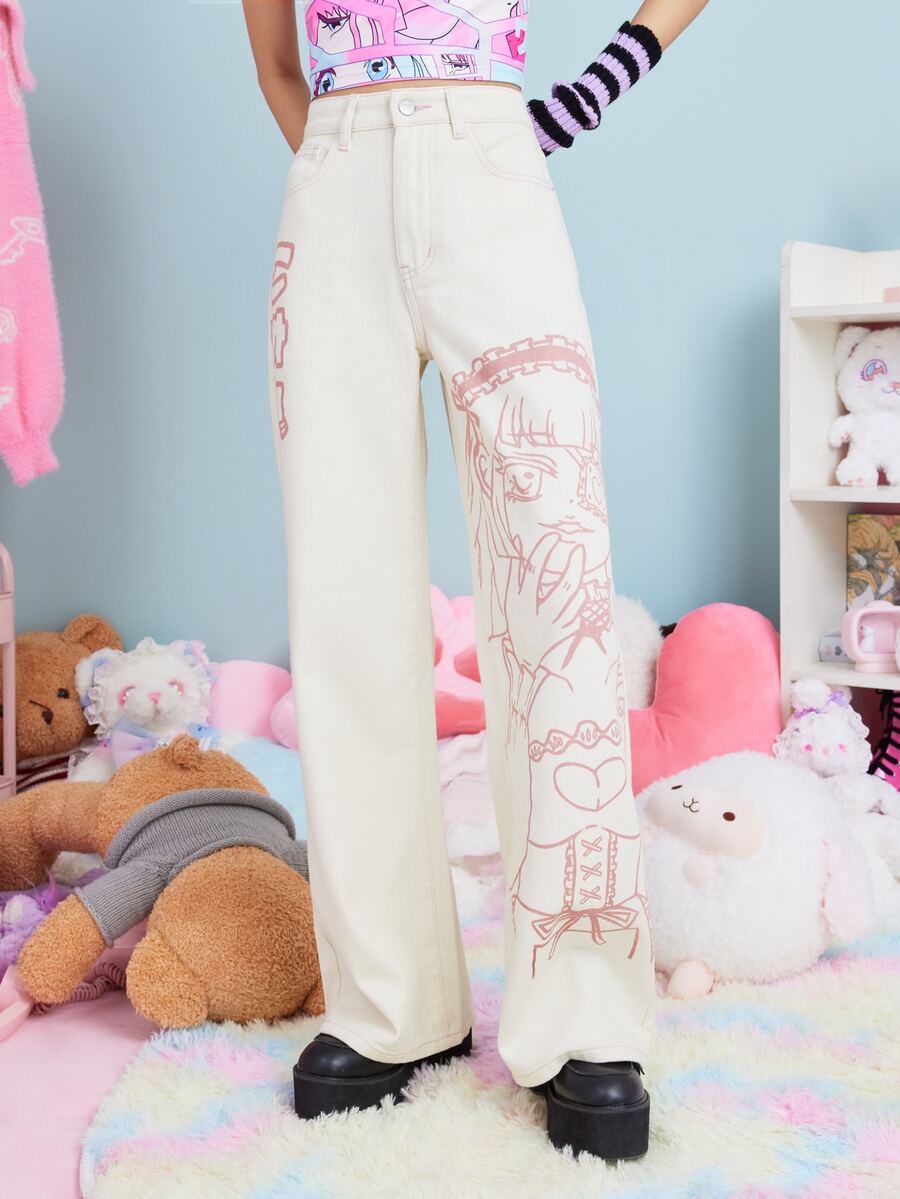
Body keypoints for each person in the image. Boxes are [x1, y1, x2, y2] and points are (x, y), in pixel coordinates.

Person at [243, 0, 709, 1161]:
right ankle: (392, 1002)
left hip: (491, 164)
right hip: (335, 180)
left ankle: (584, 1012)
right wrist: (359, 164)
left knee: (556, 581)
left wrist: (585, 89)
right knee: (345, 595)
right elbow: (277, 63)